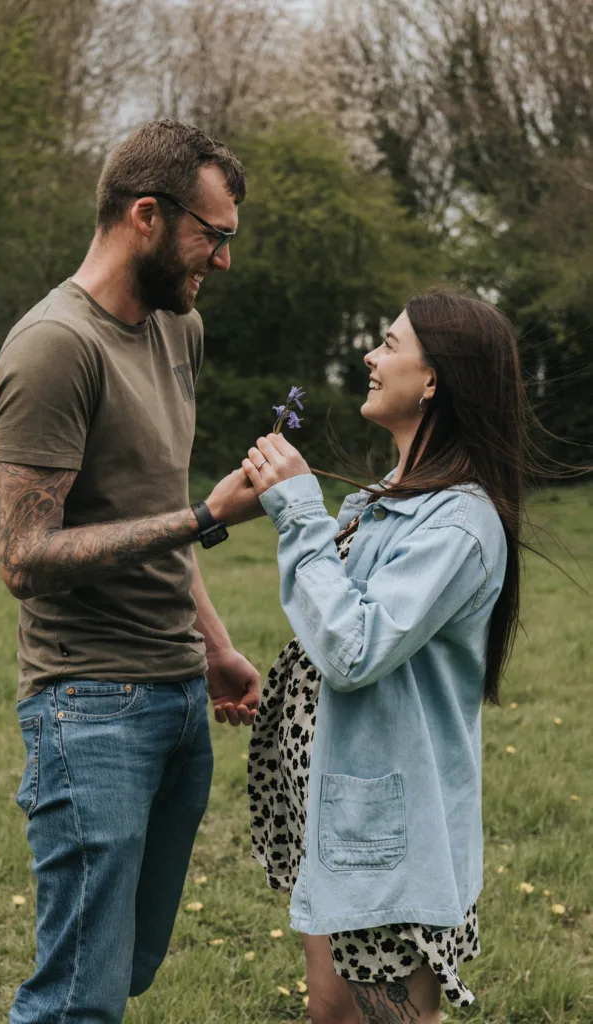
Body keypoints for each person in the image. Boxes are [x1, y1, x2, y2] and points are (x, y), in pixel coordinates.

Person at [0, 120, 263, 1024]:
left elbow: (147, 502)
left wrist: (214, 647)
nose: (221, 262)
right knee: (78, 997)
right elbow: (23, 559)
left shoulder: (175, 332)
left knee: (127, 966)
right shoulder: (52, 347)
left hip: (179, 692)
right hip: (89, 707)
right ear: (146, 215)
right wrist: (204, 518)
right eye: (211, 235)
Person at [231, 291, 523, 1023]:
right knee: (329, 1011)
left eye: (389, 344)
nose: (370, 354)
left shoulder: (459, 522)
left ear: (432, 381)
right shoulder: (380, 500)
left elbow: (354, 648)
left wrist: (300, 512)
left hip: (388, 833)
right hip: (339, 808)